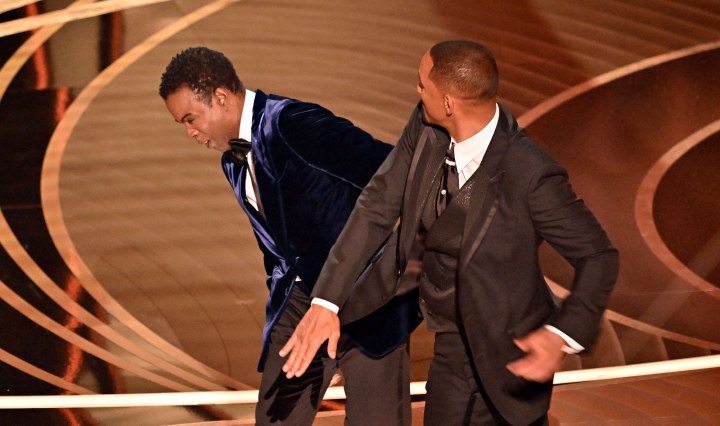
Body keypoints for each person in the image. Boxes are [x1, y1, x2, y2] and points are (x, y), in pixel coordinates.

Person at [280, 40, 619, 425]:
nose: (417, 90)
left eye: (422, 84)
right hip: (451, 343)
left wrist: (561, 333)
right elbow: (378, 204)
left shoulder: (530, 174)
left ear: (448, 103)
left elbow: (598, 256)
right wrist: (326, 302)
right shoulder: (426, 124)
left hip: (512, 352)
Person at [159, 47, 412, 425]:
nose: (189, 132)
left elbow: (393, 175)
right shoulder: (232, 162)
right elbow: (278, 246)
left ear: (221, 98)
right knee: (277, 419)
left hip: (367, 298)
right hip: (299, 305)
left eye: (190, 119)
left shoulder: (293, 124)